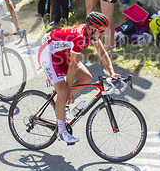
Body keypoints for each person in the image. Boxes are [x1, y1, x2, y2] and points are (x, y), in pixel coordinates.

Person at [37, 11, 120, 143]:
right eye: (102, 31)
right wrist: (68, 91)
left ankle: (61, 101)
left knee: (86, 78)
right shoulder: (80, 38)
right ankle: (61, 131)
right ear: (92, 29)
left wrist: (111, 72)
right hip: (48, 55)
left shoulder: (91, 33)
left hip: (62, 55)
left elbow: (102, 52)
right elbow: (72, 67)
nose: (103, 34)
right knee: (64, 91)